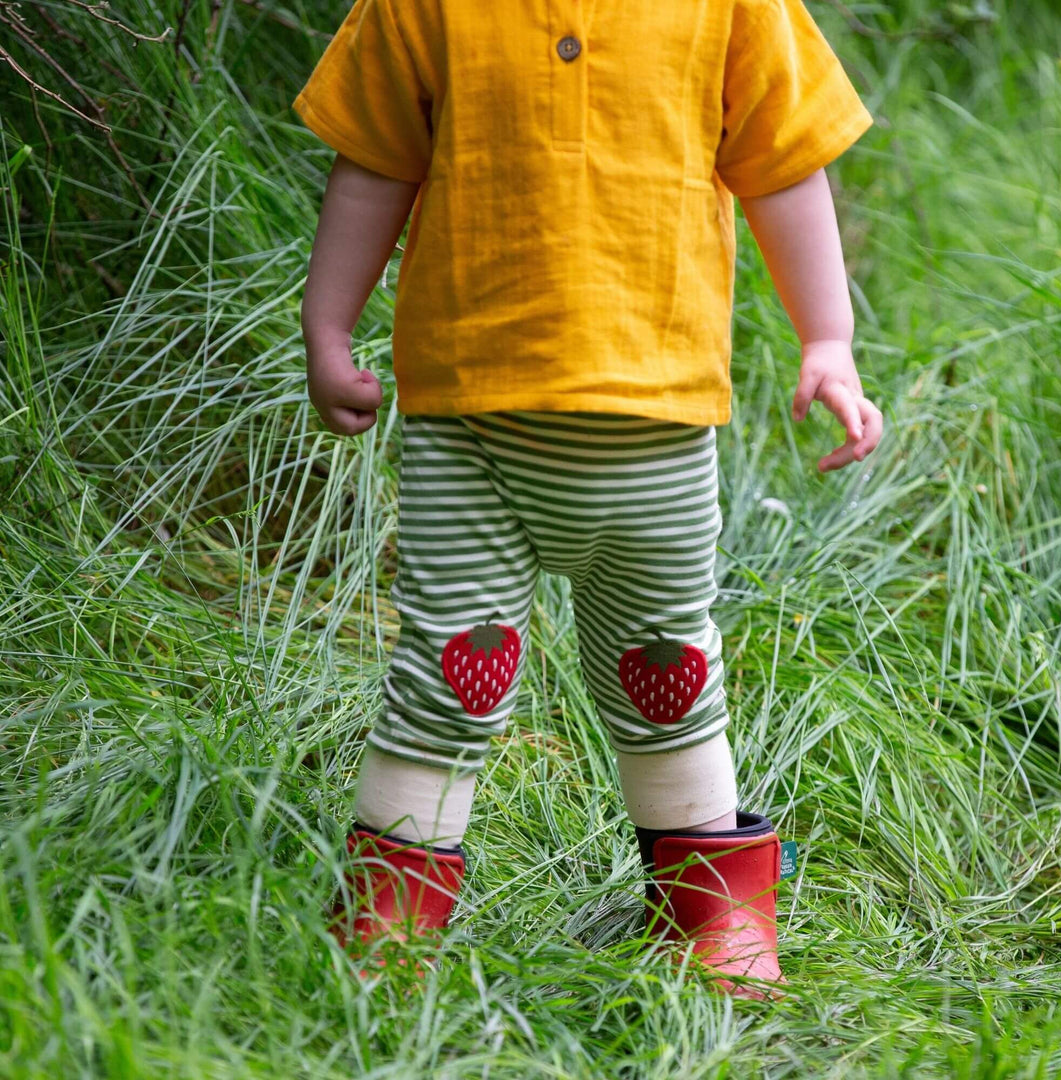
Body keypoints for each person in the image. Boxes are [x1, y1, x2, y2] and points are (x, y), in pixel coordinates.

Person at [293, 0, 883, 998]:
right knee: (446, 669)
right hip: (472, 425)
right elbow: (376, 163)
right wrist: (329, 325)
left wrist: (827, 340)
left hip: (655, 427)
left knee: (669, 667)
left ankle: (714, 908)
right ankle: (391, 913)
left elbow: (784, 163)